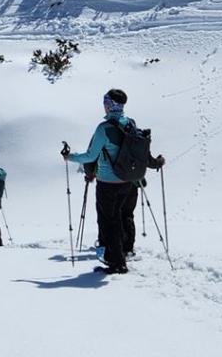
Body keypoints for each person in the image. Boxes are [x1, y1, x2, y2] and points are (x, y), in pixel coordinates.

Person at [62, 89, 162, 275]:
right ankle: (122, 253)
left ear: (110, 105)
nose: (104, 105)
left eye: (105, 102)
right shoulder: (130, 123)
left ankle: (117, 262)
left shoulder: (104, 128)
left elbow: (91, 155)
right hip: (127, 181)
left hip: (108, 183)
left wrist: (70, 157)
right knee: (121, 217)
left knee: (109, 221)